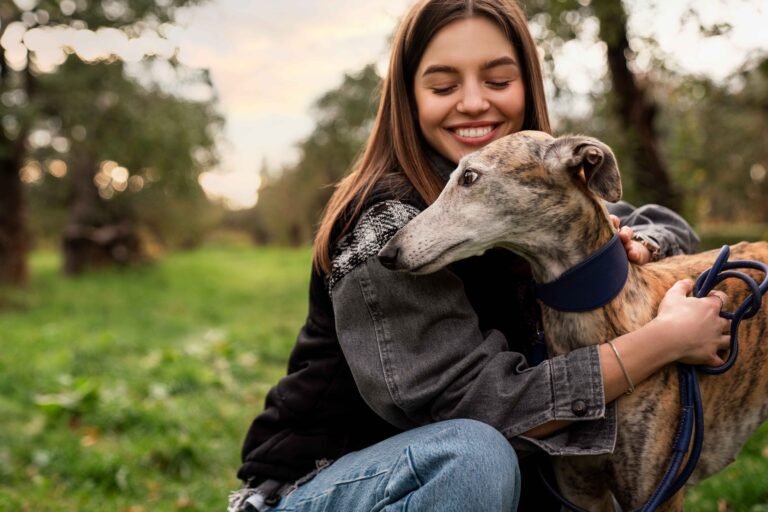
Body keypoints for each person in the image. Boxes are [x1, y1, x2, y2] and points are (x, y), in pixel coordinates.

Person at [229, 1, 729, 510]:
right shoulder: (386, 223)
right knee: (475, 454)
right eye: (443, 86)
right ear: (409, 97)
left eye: (498, 80)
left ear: (528, 85)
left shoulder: (532, 186)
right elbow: (482, 408)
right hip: (330, 486)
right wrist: (665, 340)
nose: (472, 102)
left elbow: (665, 222)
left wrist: (634, 244)